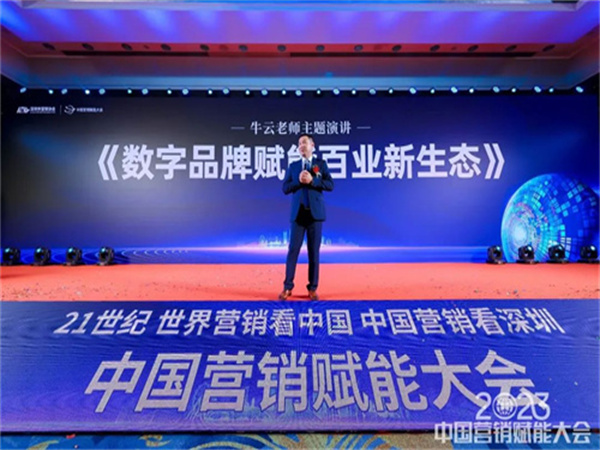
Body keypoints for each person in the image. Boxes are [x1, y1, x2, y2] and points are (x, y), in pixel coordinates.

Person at [279, 133, 334, 301]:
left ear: (312, 145)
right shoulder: (294, 166)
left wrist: (312, 181)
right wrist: (299, 181)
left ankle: (312, 288)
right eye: (299, 144)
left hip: (315, 215)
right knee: (293, 251)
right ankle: (287, 287)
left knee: (313, 253)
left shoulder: (320, 164)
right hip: (298, 215)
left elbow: (330, 185)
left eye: (304, 143)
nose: (301, 146)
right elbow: (285, 188)